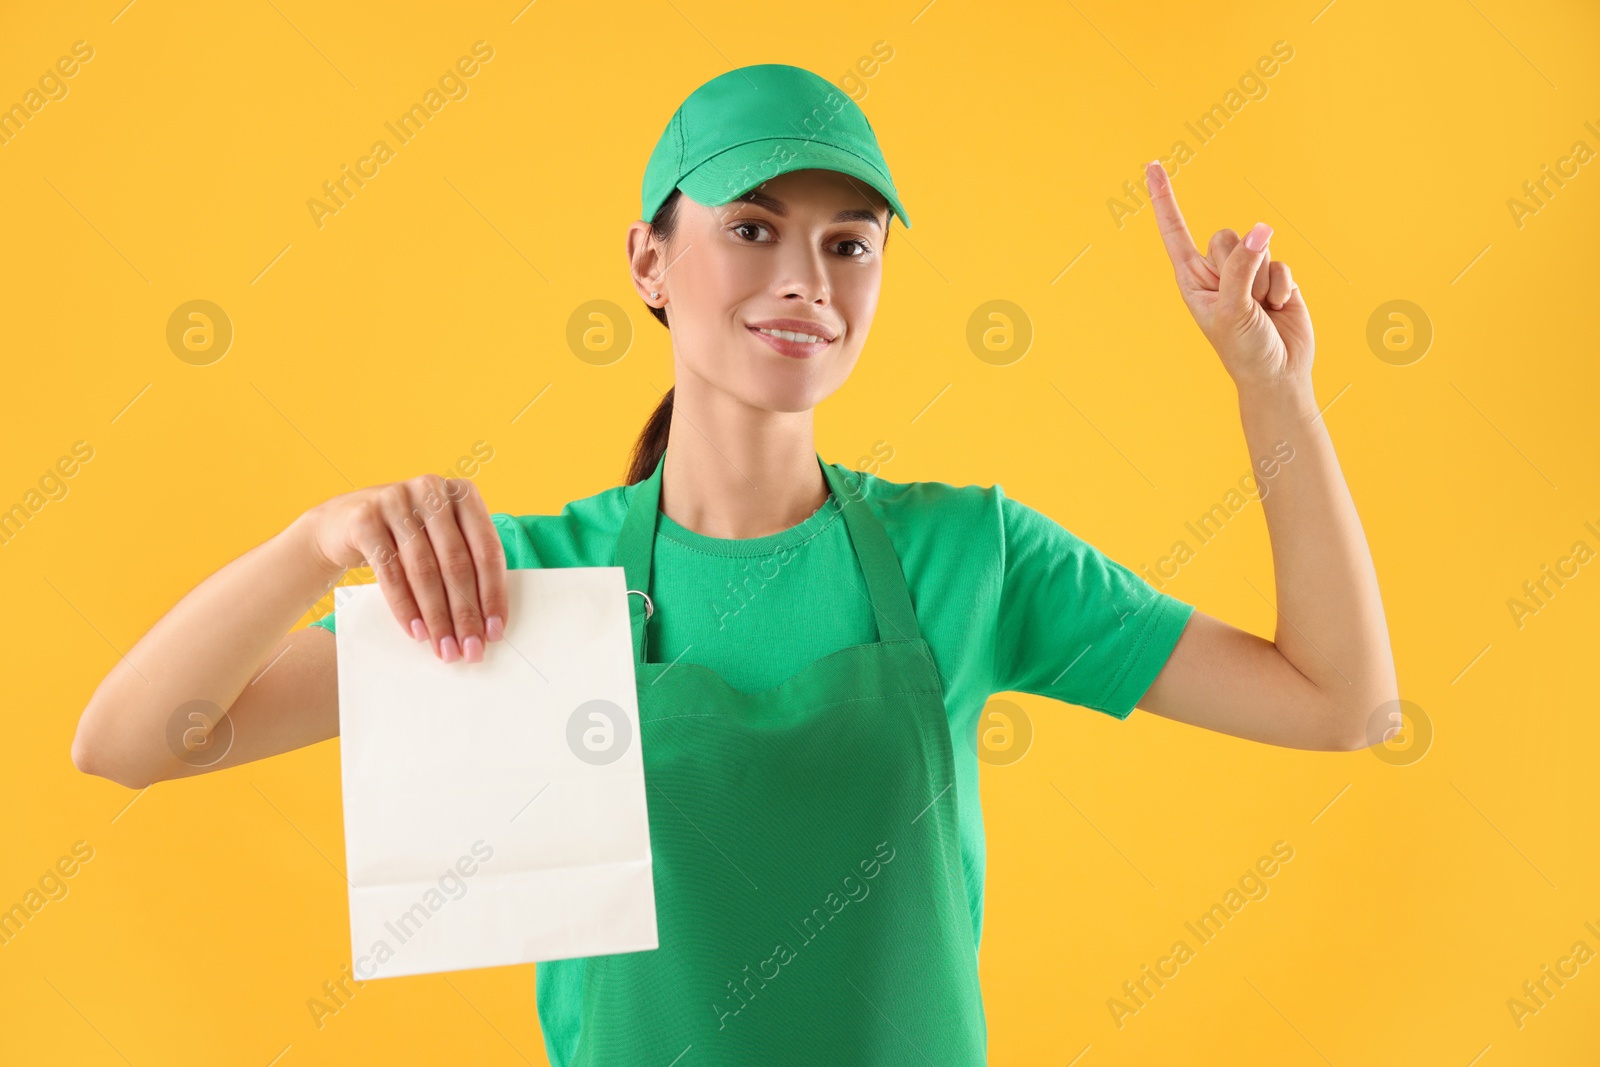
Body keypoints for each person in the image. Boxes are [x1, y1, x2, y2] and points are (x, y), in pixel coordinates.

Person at [72, 63, 1398, 1066]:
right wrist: (317, 544)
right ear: (650, 261)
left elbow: (1342, 707)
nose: (806, 277)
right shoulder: (523, 589)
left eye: (848, 242)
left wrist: (1271, 394)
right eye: (753, 229)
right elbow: (133, 741)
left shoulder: (972, 553)